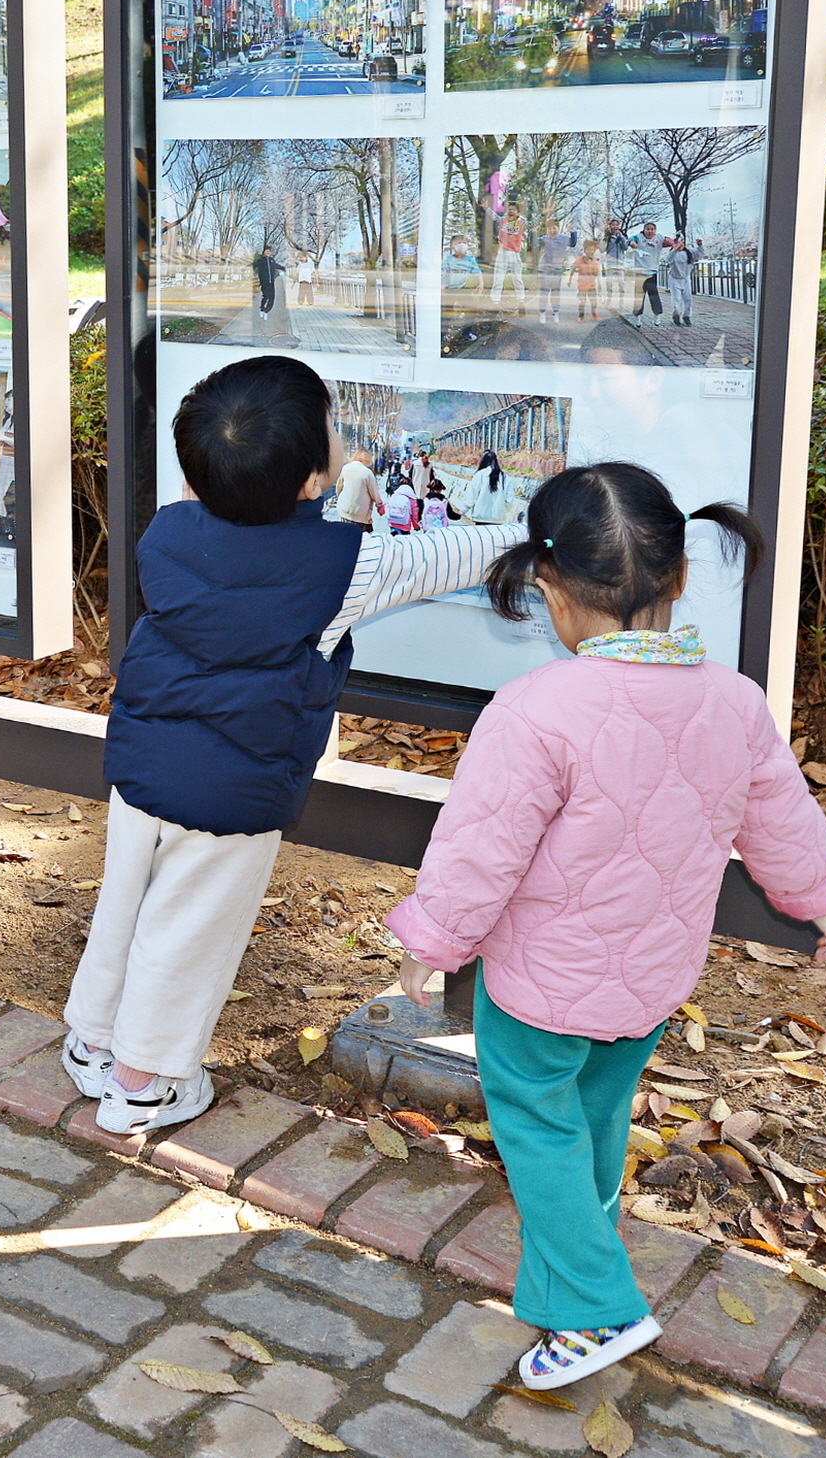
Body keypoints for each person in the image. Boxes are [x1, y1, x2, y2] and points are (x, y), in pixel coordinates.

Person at [388, 464, 826, 1390]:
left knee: (534, 1123)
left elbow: (480, 852)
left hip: (539, 987)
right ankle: (573, 1286)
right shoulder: (733, 701)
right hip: (650, 980)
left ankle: (598, 1309)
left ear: (550, 589)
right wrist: (819, 897)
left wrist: (430, 946)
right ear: (679, 580)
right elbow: (781, 817)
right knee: (595, 1116)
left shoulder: (534, 712)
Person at [61, 358, 523, 1132]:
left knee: (127, 907)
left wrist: (343, 495)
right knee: (189, 932)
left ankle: (92, 1047)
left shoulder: (172, 529)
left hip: (143, 763)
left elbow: (256, 551)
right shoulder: (351, 566)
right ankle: (142, 1085)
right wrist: (555, 528)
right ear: (311, 476)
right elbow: (457, 556)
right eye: (336, 434)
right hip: (236, 792)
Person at [448, 449, 519, 523]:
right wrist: (503, 510)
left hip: (480, 518)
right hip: (498, 519)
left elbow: (471, 498)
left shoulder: (479, 475)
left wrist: (461, 512)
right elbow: (510, 500)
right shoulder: (506, 478)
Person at [332, 446, 379, 529]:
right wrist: (380, 505)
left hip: (344, 510)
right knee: (364, 536)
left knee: (346, 532)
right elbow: (375, 494)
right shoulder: (367, 473)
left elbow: (339, 488)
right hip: (360, 513)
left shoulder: (345, 468)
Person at [665, 239, 697, 328]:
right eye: (677, 243)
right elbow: (668, 258)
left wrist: (700, 245)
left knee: (688, 299)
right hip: (674, 279)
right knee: (676, 299)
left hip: (686, 279)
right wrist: (675, 249)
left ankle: (687, 316)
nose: (680, 245)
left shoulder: (689, 253)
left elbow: (700, 254)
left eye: (681, 243)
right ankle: (676, 315)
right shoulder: (673, 254)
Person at [573, 238, 603, 321]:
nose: (590, 252)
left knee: (594, 301)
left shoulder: (595, 263)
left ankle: (593, 311)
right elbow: (573, 268)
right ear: (584, 250)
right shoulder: (579, 260)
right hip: (582, 286)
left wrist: (592, 272)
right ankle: (581, 315)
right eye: (588, 250)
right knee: (583, 301)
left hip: (591, 286)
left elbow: (596, 274)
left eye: (592, 250)